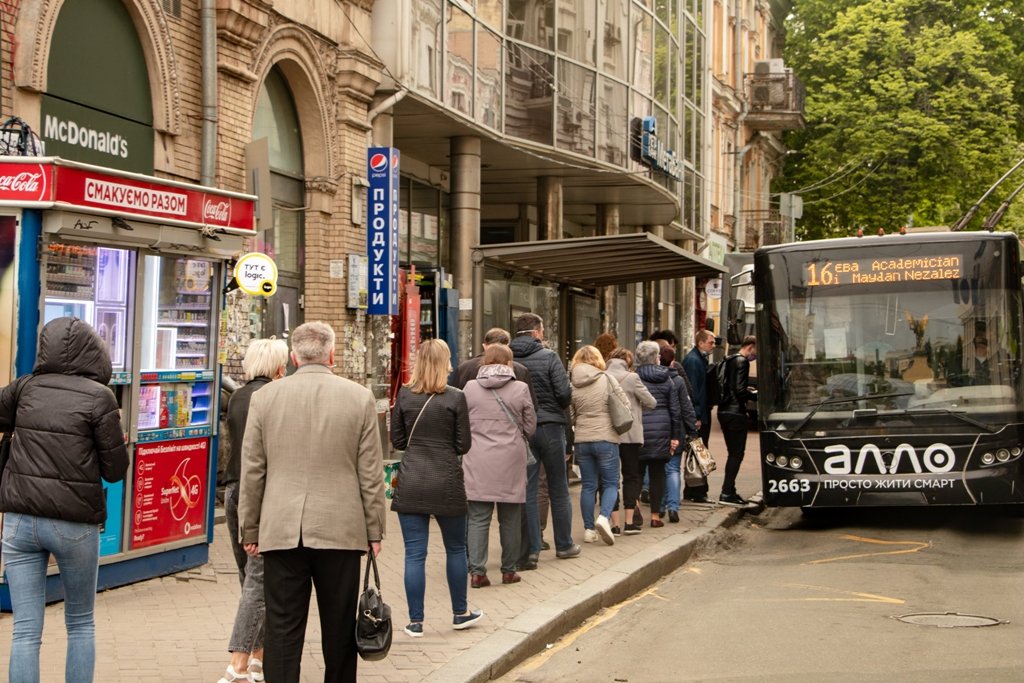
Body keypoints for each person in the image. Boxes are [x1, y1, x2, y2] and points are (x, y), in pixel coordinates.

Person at [239, 321, 386, 683]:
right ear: (332, 355)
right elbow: (370, 472)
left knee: (283, 630)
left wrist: (251, 527)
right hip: (341, 529)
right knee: (338, 629)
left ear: (293, 357)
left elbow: (253, 470)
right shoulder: (359, 397)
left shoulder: (264, 398)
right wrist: (375, 529)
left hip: (281, 529)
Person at [0, 316, 129, 683]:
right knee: (80, 623)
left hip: (20, 519)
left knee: (25, 628)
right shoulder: (99, 397)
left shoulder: (25, 388)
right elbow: (115, 470)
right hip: (74, 522)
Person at [390, 338, 483, 637]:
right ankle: (460, 613)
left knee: (414, 554)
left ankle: (415, 622)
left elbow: (398, 442)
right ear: (446, 363)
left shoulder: (404, 395)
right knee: (456, 549)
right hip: (447, 480)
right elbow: (463, 445)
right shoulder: (455, 397)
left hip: (412, 479)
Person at [219, 338, 289, 683]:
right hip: (261, 494)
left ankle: (260, 657)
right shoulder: (275, 398)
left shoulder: (237, 398)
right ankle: (239, 664)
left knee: (249, 577)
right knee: (258, 582)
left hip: (233, 491)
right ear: (278, 367)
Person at [462, 344, 536, 587]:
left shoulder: (470, 388)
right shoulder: (521, 388)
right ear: (509, 363)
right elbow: (530, 426)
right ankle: (508, 570)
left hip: (477, 458)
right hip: (510, 459)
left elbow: (460, 423)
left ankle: (477, 573)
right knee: (511, 517)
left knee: (478, 518)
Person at [510, 313, 580, 561]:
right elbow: (564, 394)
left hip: (521, 429)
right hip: (550, 427)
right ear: (537, 332)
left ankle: (532, 549)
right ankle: (564, 544)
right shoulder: (549, 356)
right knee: (558, 487)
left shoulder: (508, 358)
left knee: (528, 489)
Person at [569, 345, 631, 545]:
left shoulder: (573, 383)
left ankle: (588, 530)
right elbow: (625, 405)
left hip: (583, 440)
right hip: (606, 438)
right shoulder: (606, 378)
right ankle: (604, 518)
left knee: (588, 486)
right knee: (611, 483)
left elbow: (570, 415)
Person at [605, 347, 656, 533]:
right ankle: (629, 522)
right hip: (630, 434)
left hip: (608, 434)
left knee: (610, 478)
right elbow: (651, 402)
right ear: (627, 362)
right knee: (631, 475)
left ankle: (614, 523)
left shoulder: (602, 376)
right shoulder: (632, 378)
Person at [634, 341, 681, 528]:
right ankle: (655, 516)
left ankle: (635, 507)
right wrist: (675, 436)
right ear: (656, 358)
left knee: (636, 472)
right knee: (658, 474)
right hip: (662, 430)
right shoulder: (667, 379)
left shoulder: (634, 377)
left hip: (639, 430)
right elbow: (675, 410)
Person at [660, 345, 699, 523]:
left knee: (658, 469)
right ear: (673, 361)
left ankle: (659, 506)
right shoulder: (678, 381)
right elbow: (686, 408)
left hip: (656, 431)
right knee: (673, 469)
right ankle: (673, 508)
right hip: (676, 430)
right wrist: (693, 430)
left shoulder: (648, 378)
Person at [717, 335, 757, 506]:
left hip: (724, 410)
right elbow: (739, 390)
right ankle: (727, 491)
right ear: (750, 346)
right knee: (736, 454)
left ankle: (728, 490)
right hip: (735, 413)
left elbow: (730, 385)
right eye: (756, 351)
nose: (756, 356)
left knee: (733, 453)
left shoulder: (730, 359)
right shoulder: (742, 362)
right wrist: (753, 395)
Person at [682, 329, 716, 503]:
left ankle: (692, 489)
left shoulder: (698, 359)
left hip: (700, 413)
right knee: (698, 451)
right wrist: (696, 415)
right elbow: (693, 390)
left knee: (697, 450)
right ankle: (698, 490)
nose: (713, 345)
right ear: (701, 342)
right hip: (698, 415)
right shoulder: (694, 361)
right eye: (711, 342)